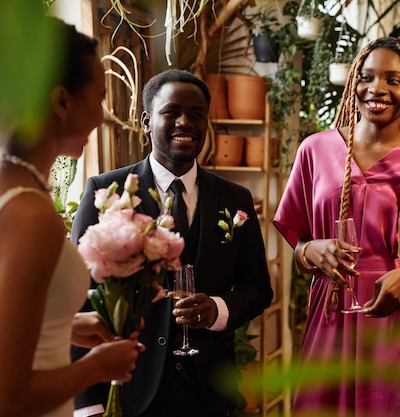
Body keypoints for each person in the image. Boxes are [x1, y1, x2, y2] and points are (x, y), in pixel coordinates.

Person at [71, 68, 274, 417]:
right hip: (129, 391)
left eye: (197, 115)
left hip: (209, 394)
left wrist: (217, 310)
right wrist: (88, 405)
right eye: (172, 112)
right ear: (147, 121)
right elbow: (80, 299)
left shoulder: (236, 199)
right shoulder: (107, 192)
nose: (186, 123)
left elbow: (258, 289)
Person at [273, 37, 400, 417]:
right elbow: (299, 247)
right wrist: (311, 251)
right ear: (353, 83)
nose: (377, 89)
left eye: (393, 80)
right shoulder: (315, 149)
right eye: (368, 77)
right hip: (332, 315)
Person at [0, 16, 141, 417]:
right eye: (100, 97)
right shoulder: (30, 215)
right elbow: (0, 400)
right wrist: (98, 367)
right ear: (62, 102)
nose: (103, 115)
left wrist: (65, 327)